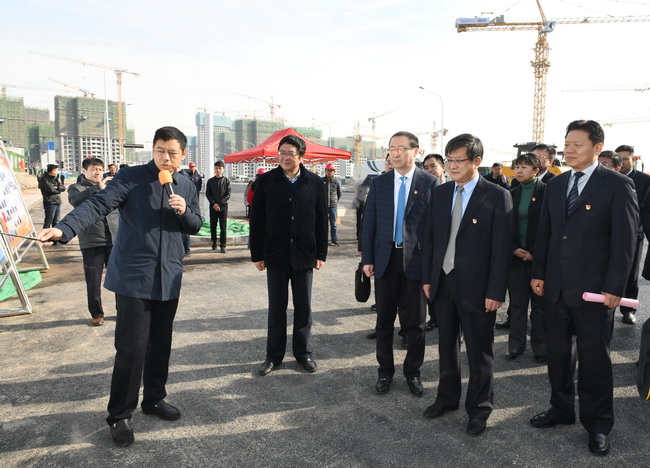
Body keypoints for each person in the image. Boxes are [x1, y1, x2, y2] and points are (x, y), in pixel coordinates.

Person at [39, 126, 202, 447]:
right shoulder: (131, 178)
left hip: (169, 276)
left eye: (172, 152)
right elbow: (97, 205)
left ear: (183, 155)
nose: (165, 157)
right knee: (131, 348)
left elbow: (196, 223)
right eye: (159, 150)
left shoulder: (186, 184)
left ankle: (154, 398)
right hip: (133, 278)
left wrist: (185, 212)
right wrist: (63, 228)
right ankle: (120, 414)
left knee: (161, 344)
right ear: (152, 150)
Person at [530, 120, 638, 456]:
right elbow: (545, 234)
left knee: (594, 361)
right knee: (558, 355)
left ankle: (598, 423)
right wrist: (538, 272)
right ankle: (561, 408)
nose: (570, 149)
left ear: (596, 146)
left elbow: (625, 242)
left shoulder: (617, 185)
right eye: (567, 143)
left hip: (595, 292)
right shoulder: (556, 185)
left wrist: (615, 287)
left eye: (577, 144)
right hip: (556, 287)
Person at [421, 133, 513, 437]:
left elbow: (502, 250)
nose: (452, 166)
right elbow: (430, 240)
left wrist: (496, 292)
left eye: (458, 160)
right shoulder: (441, 192)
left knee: (479, 351)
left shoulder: (497, 196)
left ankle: (479, 408)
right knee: (446, 345)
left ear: (477, 161)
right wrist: (427, 278)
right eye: (449, 160)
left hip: (479, 288)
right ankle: (447, 398)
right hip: (443, 282)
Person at [361, 131, 438, 397]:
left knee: (416, 323)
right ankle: (385, 371)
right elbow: (369, 222)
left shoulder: (430, 182)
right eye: (391, 148)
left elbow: (434, 229)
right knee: (384, 321)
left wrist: (431, 267)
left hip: (416, 261)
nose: (395, 153)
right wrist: (367, 258)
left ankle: (413, 372)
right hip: (385, 259)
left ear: (415, 151)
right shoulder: (380, 182)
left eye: (401, 148)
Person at [250, 134, 327, 376]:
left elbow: (321, 221)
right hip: (275, 252)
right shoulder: (265, 181)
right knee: (276, 308)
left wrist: (320, 253)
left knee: (304, 308)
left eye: (290, 153)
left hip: (304, 253)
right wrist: (257, 254)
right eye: (281, 152)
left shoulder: (315, 182)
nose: (284, 157)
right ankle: (274, 356)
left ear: (301, 156)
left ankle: (303, 354)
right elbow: (257, 220)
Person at [67, 157, 119, 327]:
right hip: (92, 241)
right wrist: (98, 188)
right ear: (84, 171)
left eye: (100, 169)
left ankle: (122, 310)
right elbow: (75, 201)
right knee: (93, 280)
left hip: (114, 239)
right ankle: (96, 314)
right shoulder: (76, 188)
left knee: (119, 277)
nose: (98, 172)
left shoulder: (111, 186)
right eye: (94, 169)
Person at [505, 153, 547, 363]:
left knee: (539, 307)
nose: (519, 171)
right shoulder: (510, 194)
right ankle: (515, 346)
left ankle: (541, 348)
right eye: (517, 167)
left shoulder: (547, 193)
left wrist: (534, 252)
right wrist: (513, 248)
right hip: (515, 258)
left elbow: (549, 229)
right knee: (517, 305)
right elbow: (504, 227)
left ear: (536, 171)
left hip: (539, 260)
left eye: (525, 167)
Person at [617, 144, 649, 325]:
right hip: (608, 234)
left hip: (634, 235)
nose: (621, 162)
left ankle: (628, 310)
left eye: (625, 159)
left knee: (631, 275)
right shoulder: (608, 178)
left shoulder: (644, 180)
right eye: (619, 159)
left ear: (633, 159)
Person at [422, 153, 446, 331]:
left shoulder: (454, 188)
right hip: (431, 244)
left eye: (433, 166)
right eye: (426, 167)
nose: (430, 170)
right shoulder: (425, 189)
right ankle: (434, 317)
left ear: (443, 167)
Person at [205, 160, 231, 253]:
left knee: (223, 226)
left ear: (223, 169)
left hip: (223, 206)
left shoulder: (226, 181)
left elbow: (228, 194)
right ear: (214, 169)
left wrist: (219, 204)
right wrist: (214, 204)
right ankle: (214, 242)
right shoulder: (210, 181)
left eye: (220, 168)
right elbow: (208, 194)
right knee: (213, 225)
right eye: (216, 168)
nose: (218, 170)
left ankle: (223, 245)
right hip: (213, 206)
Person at [181, 161, 203, 255]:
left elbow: (199, 186)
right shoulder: (186, 175)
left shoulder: (198, 176)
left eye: (193, 167)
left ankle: (187, 248)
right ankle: (185, 248)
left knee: (190, 221)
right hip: (185, 200)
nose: (192, 168)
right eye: (190, 167)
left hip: (194, 199)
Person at [38, 164, 66, 228]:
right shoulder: (44, 179)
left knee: (57, 221)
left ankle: (53, 234)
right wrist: (58, 190)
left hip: (57, 202)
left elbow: (63, 188)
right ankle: (45, 233)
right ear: (53, 171)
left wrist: (57, 187)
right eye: (56, 170)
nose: (57, 172)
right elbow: (51, 190)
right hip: (50, 202)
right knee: (48, 222)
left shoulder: (56, 178)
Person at [322, 162, 341, 246]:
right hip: (323, 206)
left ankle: (334, 240)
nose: (329, 172)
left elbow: (339, 193)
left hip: (333, 206)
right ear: (325, 171)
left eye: (331, 171)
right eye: (328, 170)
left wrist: (335, 201)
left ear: (334, 172)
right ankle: (323, 240)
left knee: (333, 224)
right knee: (324, 224)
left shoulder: (336, 181)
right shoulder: (321, 181)